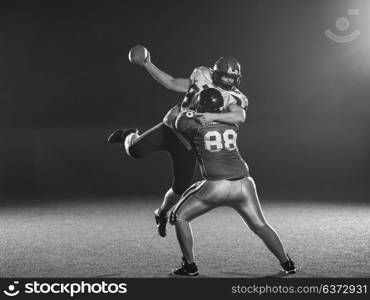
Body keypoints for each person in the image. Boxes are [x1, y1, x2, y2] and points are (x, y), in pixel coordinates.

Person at [107, 48, 248, 238]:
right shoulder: (202, 76)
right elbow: (173, 83)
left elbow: (239, 115)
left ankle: (161, 213)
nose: (229, 82)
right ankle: (130, 134)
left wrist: (212, 116)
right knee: (134, 150)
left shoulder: (235, 97)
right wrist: (148, 64)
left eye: (233, 78)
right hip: (172, 128)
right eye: (225, 77)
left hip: (191, 143)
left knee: (180, 188)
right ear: (215, 74)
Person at [168, 88, 296, 277]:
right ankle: (287, 263)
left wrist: (189, 107)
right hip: (244, 184)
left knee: (179, 217)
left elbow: (175, 121)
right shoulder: (232, 120)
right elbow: (240, 114)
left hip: (216, 186)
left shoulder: (193, 123)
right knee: (260, 225)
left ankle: (189, 266)